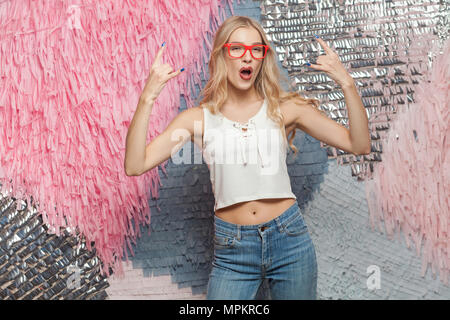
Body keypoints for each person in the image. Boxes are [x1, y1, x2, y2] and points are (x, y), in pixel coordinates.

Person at [124, 16, 371, 300]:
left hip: (289, 240)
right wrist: (147, 98)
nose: (248, 57)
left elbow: (359, 144)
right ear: (221, 55)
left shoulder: (286, 109)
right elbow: (135, 164)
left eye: (256, 50)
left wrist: (347, 83)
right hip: (233, 250)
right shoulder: (197, 120)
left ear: (263, 58)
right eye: (237, 49)